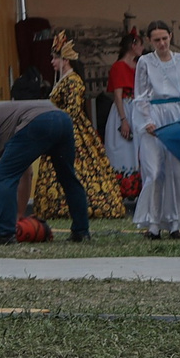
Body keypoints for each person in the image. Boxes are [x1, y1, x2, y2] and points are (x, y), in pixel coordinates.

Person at [31, 33, 129, 224]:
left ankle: (83, 204)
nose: (52, 61)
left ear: (65, 60)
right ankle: (58, 204)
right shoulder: (64, 79)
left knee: (79, 167)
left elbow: (73, 110)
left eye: (55, 58)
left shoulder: (73, 80)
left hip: (70, 130)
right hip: (61, 127)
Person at [0, 95, 92, 243]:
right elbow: (26, 174)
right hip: (63, 119)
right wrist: (18, 216)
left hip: (36, 121)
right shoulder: (3, 127)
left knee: (3, 175)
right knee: (68, 178)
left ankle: (5, 234)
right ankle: (81, 231)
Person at [131, 22, 180, 238]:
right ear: (150, 42)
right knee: (154, 172)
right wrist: (146, 121)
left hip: (177, 116)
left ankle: (175, 223)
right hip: (154, 116)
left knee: (178, 171)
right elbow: (141, 95)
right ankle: (153, 223)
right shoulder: (145, 62)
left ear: (171, 36)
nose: (162, 43)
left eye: (165, 38)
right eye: (157, 40)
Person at [104, 31, 143, 185]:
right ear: (133, 46)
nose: (142, 48)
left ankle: (137, 185)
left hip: (137, 109)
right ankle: (125, 185)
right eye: (140, 45)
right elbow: (118, 96)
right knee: (123, 149)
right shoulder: (119, 67)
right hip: (125, 110)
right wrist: (123, 120)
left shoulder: (138, 65)